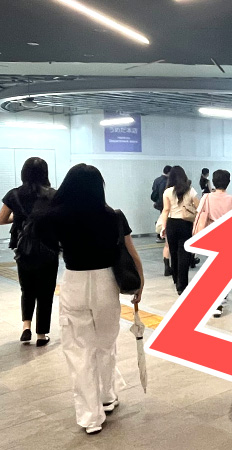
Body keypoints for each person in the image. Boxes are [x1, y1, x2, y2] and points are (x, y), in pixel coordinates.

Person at [39, 163, 144, 435]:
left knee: (79, 350)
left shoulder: (55, 216)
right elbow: (131, 252)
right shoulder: (113, 216)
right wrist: (139, 284)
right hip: (106, 283)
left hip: (74, 282)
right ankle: (107, 396)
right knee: (106, 343)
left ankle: (90, 417)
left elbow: (42, 237)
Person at [0, 157, 58, 346]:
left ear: (24, 173)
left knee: (27, 289)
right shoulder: (53, 195)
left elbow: (1, 219)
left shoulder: (14, 194)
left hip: (24, 250)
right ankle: (41, 335)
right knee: (46, 292)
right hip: (49, 250)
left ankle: (26, 326)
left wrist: (19, 219)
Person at [195, 170, 232, 317]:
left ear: (214, 182)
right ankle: (220, 301)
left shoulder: (207, 197)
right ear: (228, 182)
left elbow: (199, 214)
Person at [159, 166, 199, 294]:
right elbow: (198, 208)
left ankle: (176, 280)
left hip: (172, 224)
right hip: (185, 224)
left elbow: (166, 210)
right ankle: (182, 286)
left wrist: (163, 227)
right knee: (184, 255)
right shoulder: (190, 190)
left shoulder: (167, 192)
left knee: (174, 253)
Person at [151, 165, 171, 243]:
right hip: (166, 203)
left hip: (159, 203)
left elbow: (154, 192)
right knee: (166, 219)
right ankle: (161, 234)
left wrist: (156, 202)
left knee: (162, 218)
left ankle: (160, 234)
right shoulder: (168, 181)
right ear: (169, 172)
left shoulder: (157, 180)